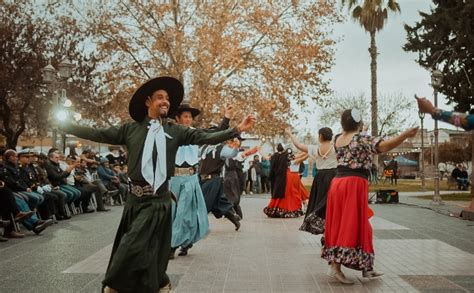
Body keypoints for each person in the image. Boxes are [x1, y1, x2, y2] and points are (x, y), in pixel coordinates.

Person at [59, 76, 255, 293]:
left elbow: (205, 137)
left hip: (158, 202)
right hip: (134, 202)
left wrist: (235, 129)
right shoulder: (130, 130)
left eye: (168, 98)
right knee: (147, 250)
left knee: (130, 247)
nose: (165, 101)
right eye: (160, 97)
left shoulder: (175, 130)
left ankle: (113, 287)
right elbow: (97, 133)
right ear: (148, 102)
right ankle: (161, 282)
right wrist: (65, 124)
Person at [321, 109, 418, 284]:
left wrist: (360, 128)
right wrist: (405, 134)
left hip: (338, 183)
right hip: (354, 184)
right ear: (358, 124)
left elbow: (354, 139)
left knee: (348, 224)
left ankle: (366, 267)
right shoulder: (362, 139)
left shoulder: (337, 138)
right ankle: (335, 268)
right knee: (350, 225)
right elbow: (384, 146)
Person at [169, 102, 232, 258]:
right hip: (174, 179)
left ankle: (173, 246)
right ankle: (183, 242)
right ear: (177, 118)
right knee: (173, 213)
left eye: (190, 117)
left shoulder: (195, 133)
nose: (188, 119)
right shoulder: (169, 133)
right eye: (185, 116)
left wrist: (226, 118)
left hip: (190, 179)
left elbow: (215, 134)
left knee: (185, 213)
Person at [286, 127, 337, 237]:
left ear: (320, 136)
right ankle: (332, 229)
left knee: (320, 204)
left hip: (320, 178)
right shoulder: (336, 148)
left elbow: (298, 145)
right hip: (334, 177)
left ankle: (322, 227)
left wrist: (290, 134)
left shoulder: (315, 148)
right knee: (332, 204)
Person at [264, 150, 309, 218]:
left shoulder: (279, 160)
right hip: (293, 177)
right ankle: (293, 207)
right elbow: (302, 157)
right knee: (295, 193)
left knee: (288, 193)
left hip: (286, 177)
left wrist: (260, 150)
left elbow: (267, 158)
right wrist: (309, 153)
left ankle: (282, 208)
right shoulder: (293, 160)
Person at [224, 137, 258, 220]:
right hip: (228, 175)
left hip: (236, 175)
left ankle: (236, 213)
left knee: (235, 194)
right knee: (229, 194)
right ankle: (231, 212)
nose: (229, 144)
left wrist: (250, 152)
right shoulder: (225, 152)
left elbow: (242, 155)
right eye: (228, 143)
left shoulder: (237, 152)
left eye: (231, 143)